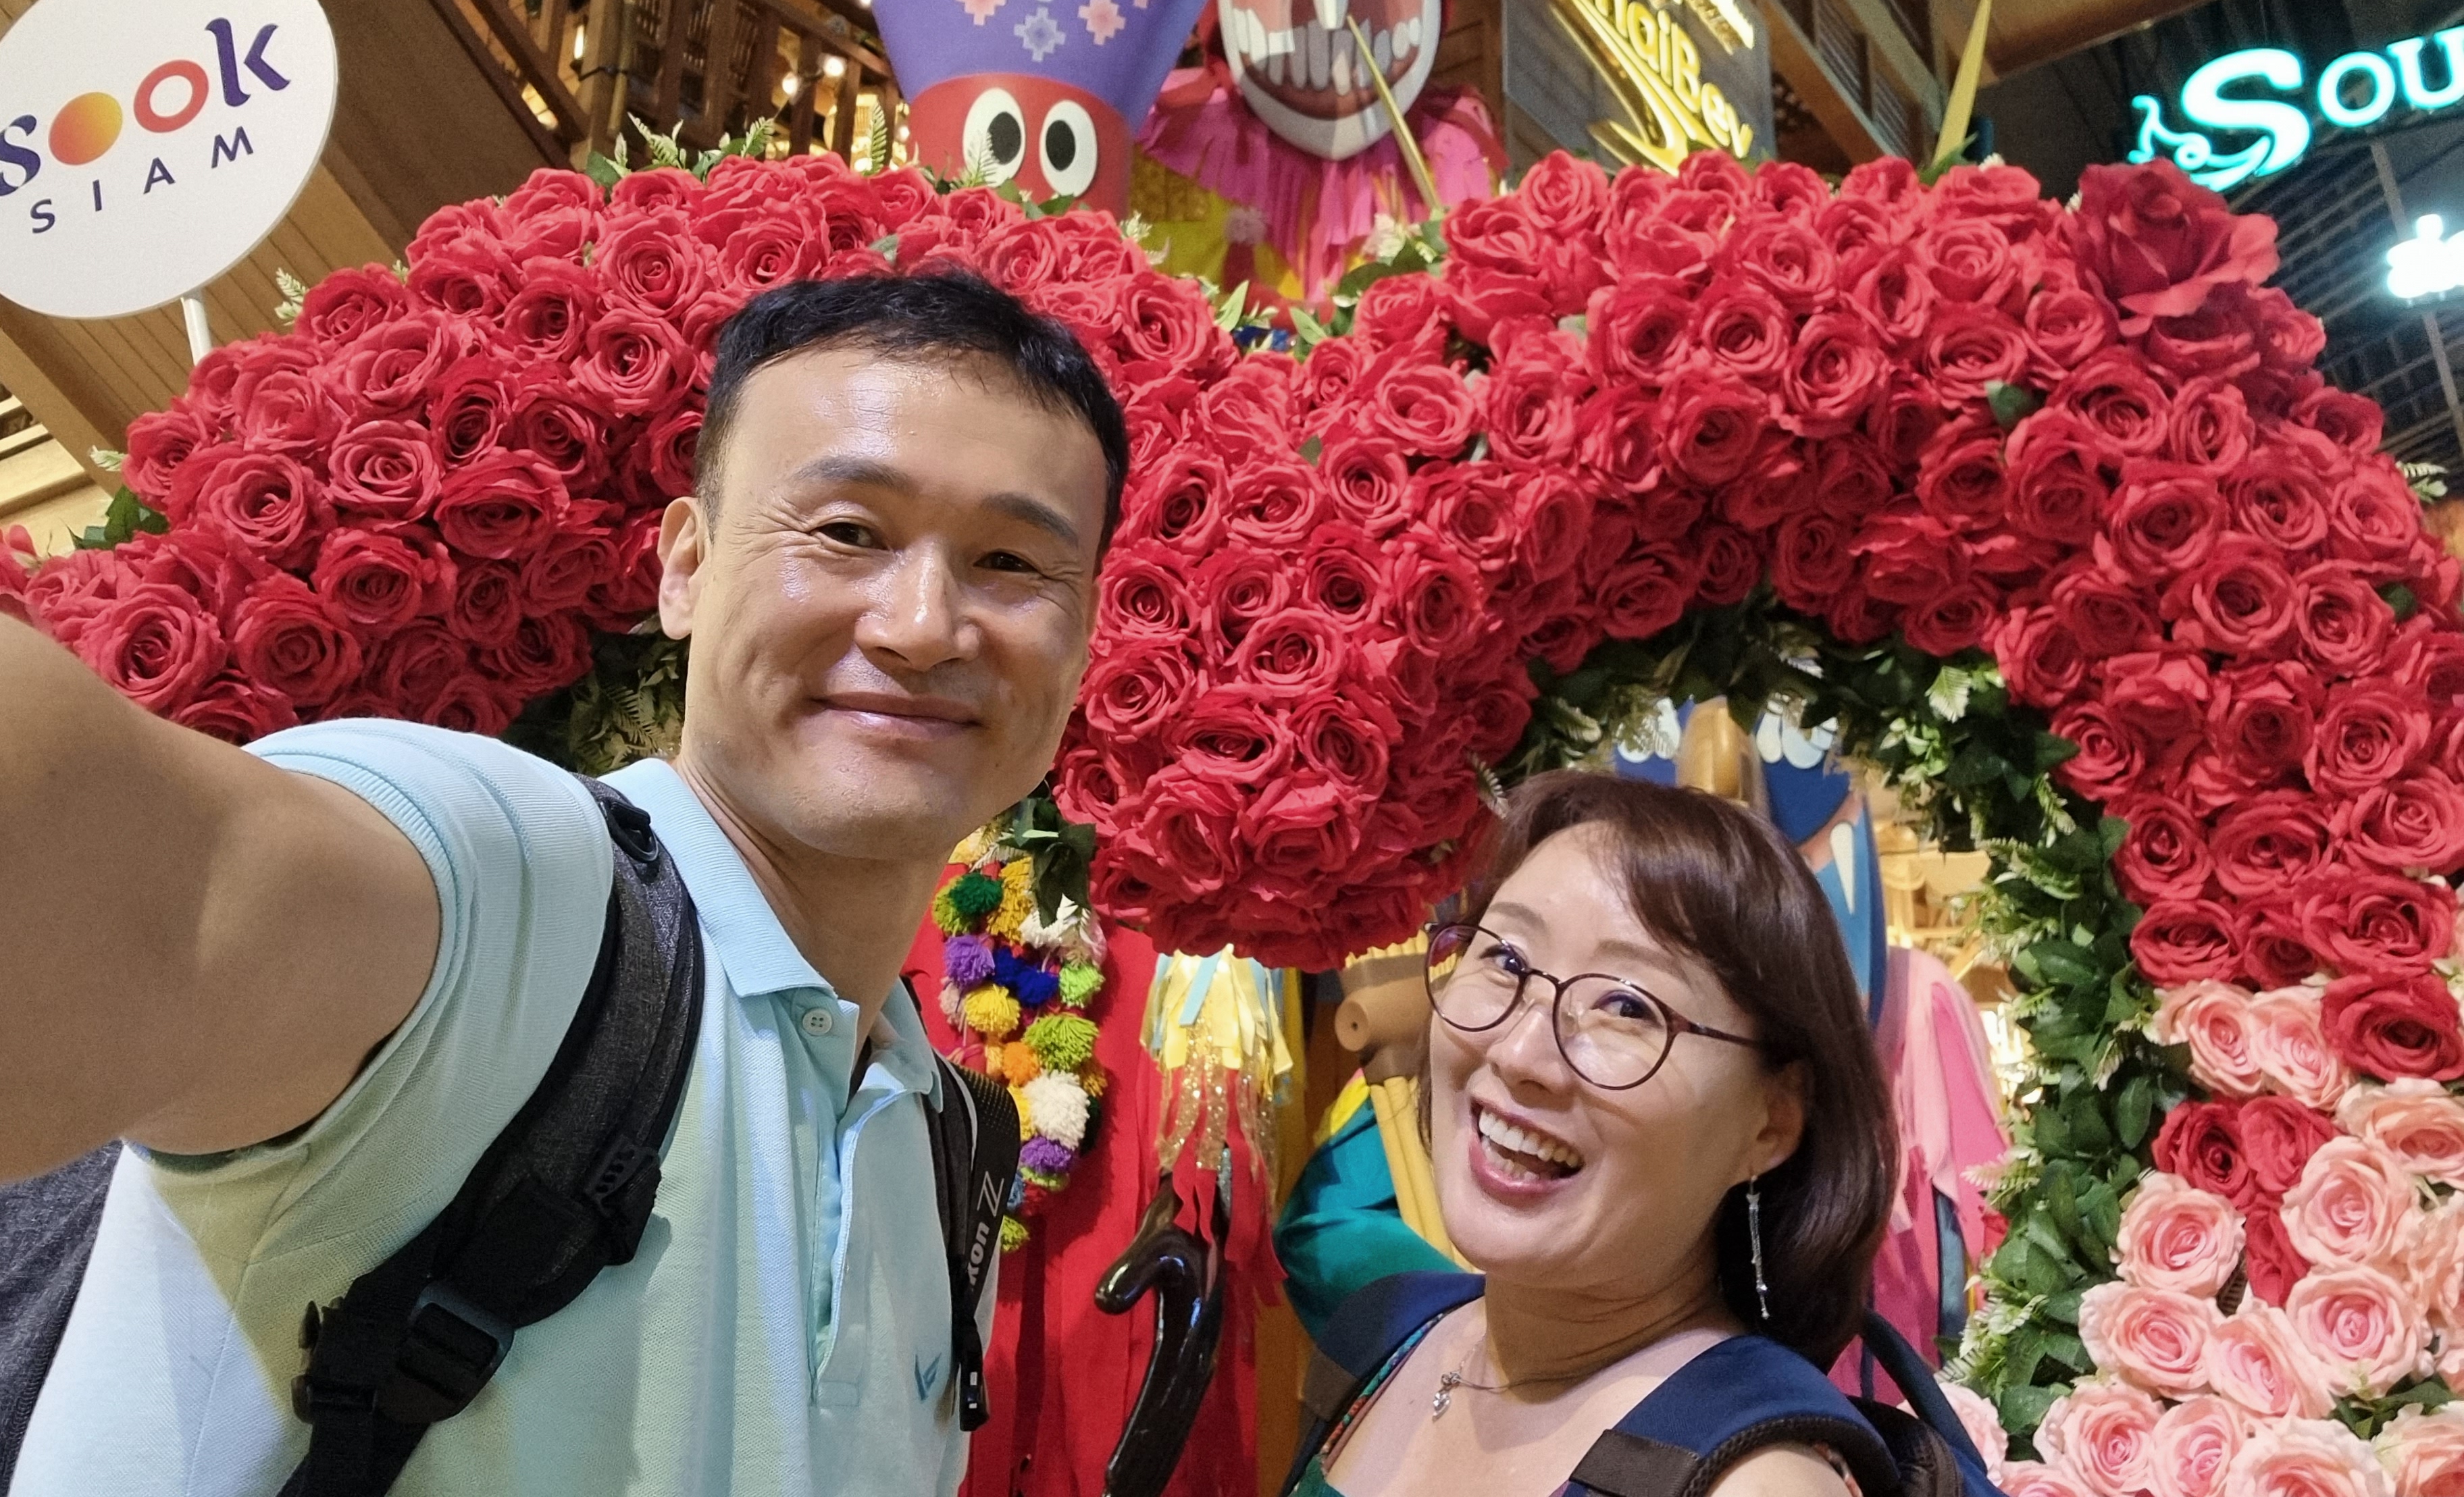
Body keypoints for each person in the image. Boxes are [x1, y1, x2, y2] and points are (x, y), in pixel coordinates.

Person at [0, 269, 1126, 1495]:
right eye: (848, 532)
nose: (921, 626)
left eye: (1011, 562)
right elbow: (159, 875)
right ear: (685, 568)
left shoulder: (947, 1141)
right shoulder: (522, 896)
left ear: (1081, 641)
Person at [1291, 770, 1900, 1497]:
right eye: (1505, 960)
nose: (1519, 1053)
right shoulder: (1382, 1339)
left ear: (1771, 1123)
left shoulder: (1751, 1483)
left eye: (1627, 1007)